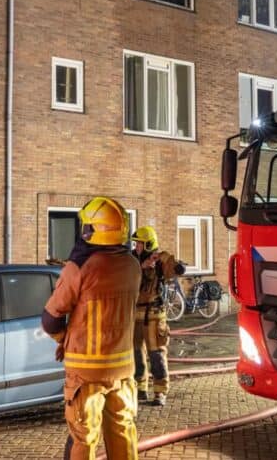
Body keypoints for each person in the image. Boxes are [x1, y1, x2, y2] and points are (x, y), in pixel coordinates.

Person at [42, 197, 141, 460]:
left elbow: (50, 319)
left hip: (86, 374)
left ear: (91, 230)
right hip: (123, 371)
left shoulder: (81, 267)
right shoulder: (133, 266)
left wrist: (63, 339)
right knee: (123, 432)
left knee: (84, 438)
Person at [130, 226, 185, 407]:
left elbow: (175, 269)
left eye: (140, 244)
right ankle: (140, 388)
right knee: (136, 353)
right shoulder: (131, 260)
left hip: (154, 315)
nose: (137, 247)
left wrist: (174, 264)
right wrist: (142, 266)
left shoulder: (161, 260)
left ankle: (160, 391)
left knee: (156, 355)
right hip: (134, 315)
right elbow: (124, 276)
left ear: (148, 244)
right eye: (136, 244)